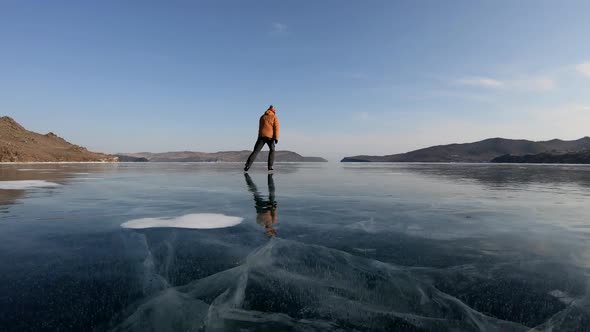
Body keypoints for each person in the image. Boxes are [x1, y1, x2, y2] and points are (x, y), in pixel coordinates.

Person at [244, 105, 280, 172]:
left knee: (256, 151)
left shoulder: (262, 117)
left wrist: (259, 136)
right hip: (270, 137)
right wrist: (276, 138)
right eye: (274, 110)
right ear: (273, 111)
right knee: (272, 150)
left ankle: (247, 165)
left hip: (261, 136)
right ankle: (270, 167)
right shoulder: (274, 117)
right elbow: (276, 128)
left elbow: (260, 128)